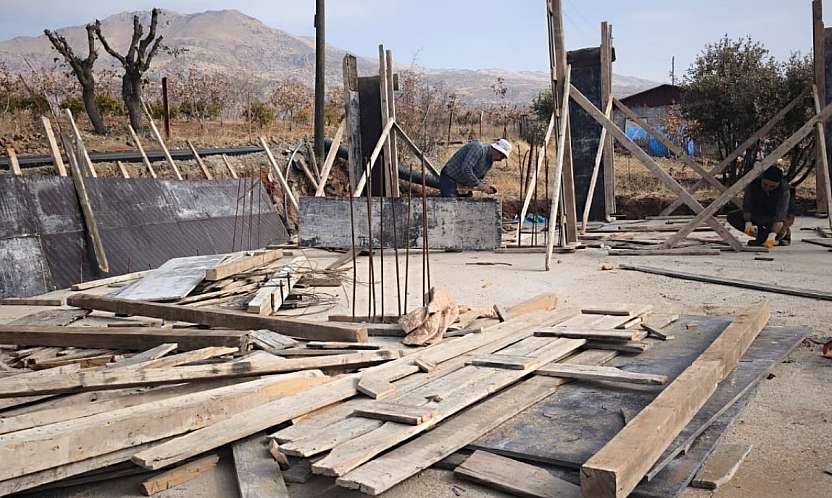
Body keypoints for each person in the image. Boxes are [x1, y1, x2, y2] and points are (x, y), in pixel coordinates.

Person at [727, 165, 795, 249]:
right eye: (765, 184)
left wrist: (772, 234)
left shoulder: (784, 190)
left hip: (778, 216)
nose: (767, 188)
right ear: (761, 179)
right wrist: (748, 221)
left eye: (772, 186)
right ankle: (762, 238)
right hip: (759, 212)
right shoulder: (753, 184)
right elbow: (747, 205)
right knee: (733, 217)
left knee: (781, 226)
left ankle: (780, 236)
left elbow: (780, 215)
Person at [439, 138, 512, 197]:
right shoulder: (478, 148)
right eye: (502, 156)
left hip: (463, 184)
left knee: (467, 207)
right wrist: (480, 185)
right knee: (451, 206)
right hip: (449, 178)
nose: (501, 159)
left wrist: (486, 186)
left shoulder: (489, 162)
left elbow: (478, 178)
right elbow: (466, 169)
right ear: (496, 150)